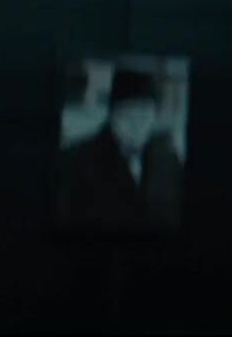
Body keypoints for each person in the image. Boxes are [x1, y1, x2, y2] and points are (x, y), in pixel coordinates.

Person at [55, 69, 183, 236]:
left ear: (154, 117)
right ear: (112, 117)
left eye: (144, 115)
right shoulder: (75, 161)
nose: (137, 126)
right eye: (128, 116)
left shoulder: (169, 161)